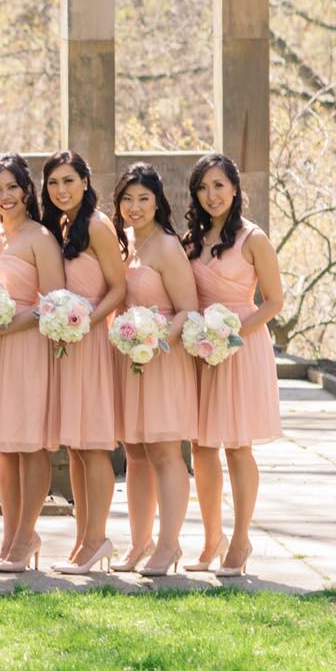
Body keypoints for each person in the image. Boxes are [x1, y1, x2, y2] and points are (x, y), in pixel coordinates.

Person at [186, 152, 285, 578]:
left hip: (240, 344)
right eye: (203, 188)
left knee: (237, 446)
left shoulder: (253, 238)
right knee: (201, 447)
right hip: (200, 346)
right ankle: (212, 538)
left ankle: (241, 538)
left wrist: (232, 335)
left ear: (235, 188)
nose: (211, 195)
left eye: (218, 186)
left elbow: (275, 301)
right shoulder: (191, 239)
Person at [0, 153, 65, 574]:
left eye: (12, 187)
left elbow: (55, 303)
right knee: (5, 449)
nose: (5, 196)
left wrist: (8, 327)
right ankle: (9, 536)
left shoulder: (40, 238)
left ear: (27, 190)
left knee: (30, 444)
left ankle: (26, 535)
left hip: (26, 347)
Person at [41, 151, 127, 575]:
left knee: (92, 445)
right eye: (54, 182)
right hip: (65, 345)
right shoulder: (59, 225)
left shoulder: (97, 225)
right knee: (74, 447)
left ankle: (98, 538)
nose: (61, 190)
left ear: (85, 181)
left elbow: (118, 288)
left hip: (90, 343)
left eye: (69, 181)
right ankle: (82, 539)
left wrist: (87, 322)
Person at [113, 163, 200, 577]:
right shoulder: (125, 242)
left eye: (143, 198)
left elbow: (187, 308)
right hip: (131, 358)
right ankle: (139, 542)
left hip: (163, 357)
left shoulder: (167, 246)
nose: (134, 207)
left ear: (158, 201)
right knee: (135, 452)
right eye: (127, 199)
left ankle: (170, 544)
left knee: (166, 452)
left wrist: (156, 341)